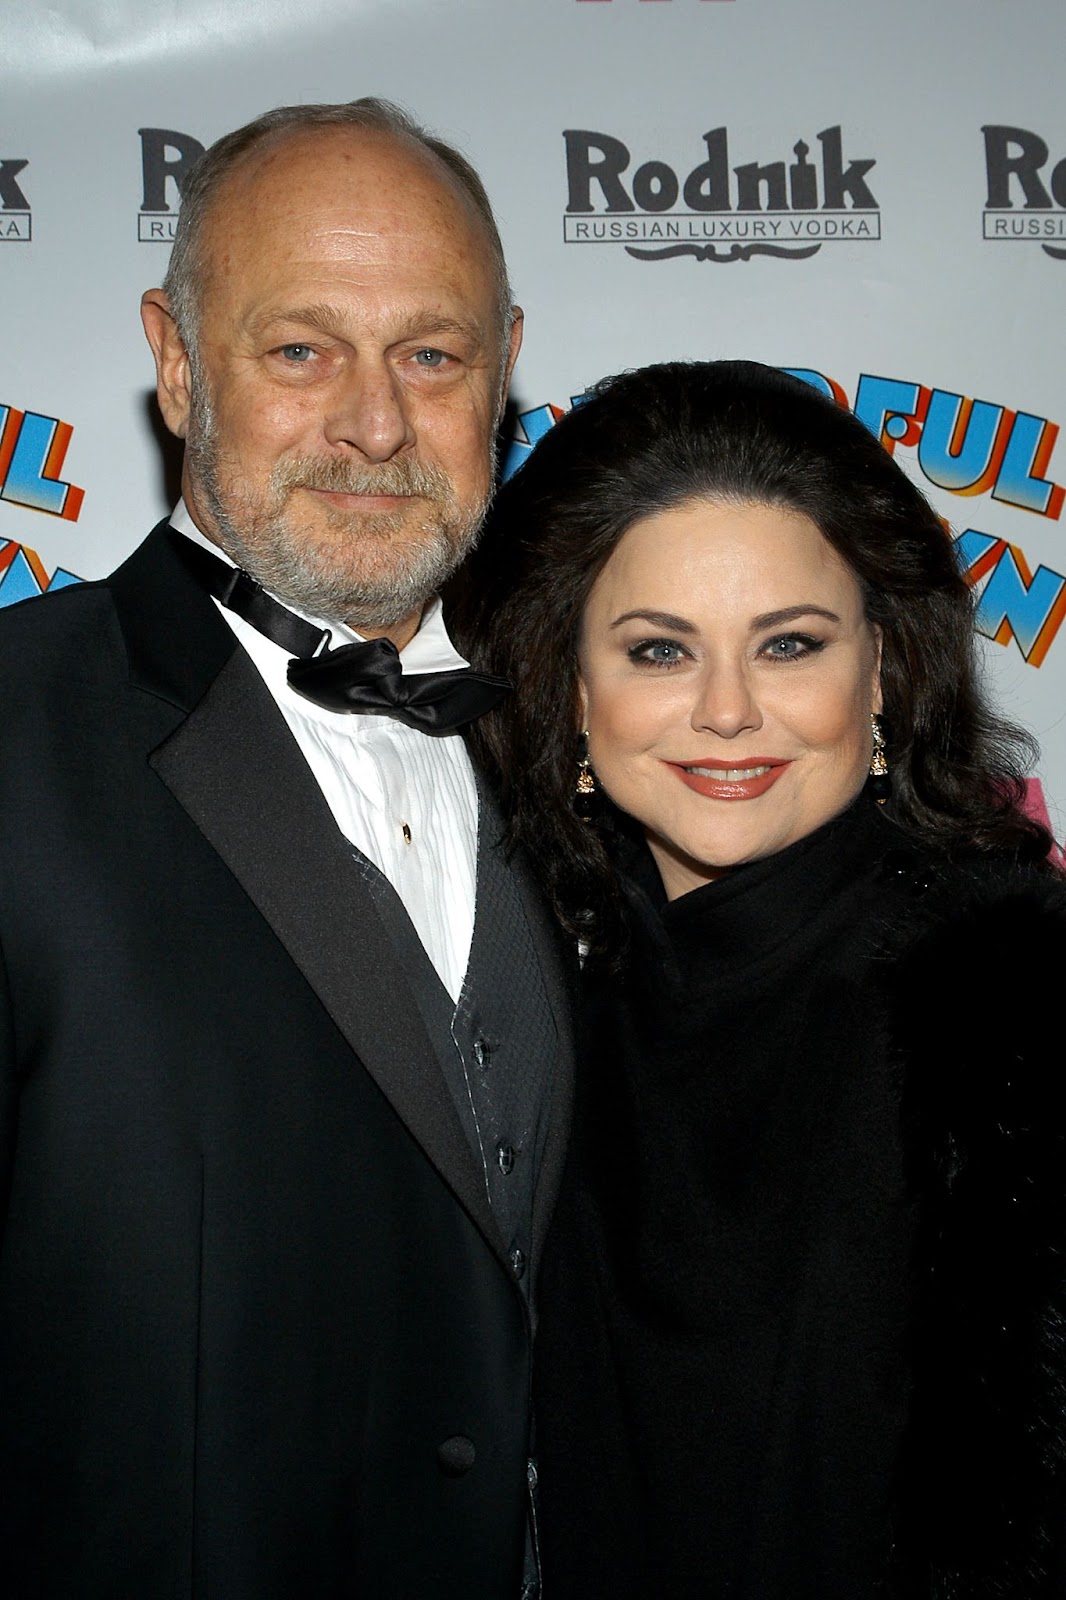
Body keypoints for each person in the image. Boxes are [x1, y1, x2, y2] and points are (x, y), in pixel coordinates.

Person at [0, 99, 572, 1599]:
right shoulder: (11, 736)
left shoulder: (621, 743)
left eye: (431, 355)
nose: (374, 424)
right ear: (178, 363)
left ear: (502, 366)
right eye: (300, 350)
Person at [460, 360, 1066, 1598]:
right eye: (658, 650)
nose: (726, 711)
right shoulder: (503, 989)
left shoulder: (1018, 1011)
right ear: (571, 689)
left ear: (885, 669)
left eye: (787, 643)